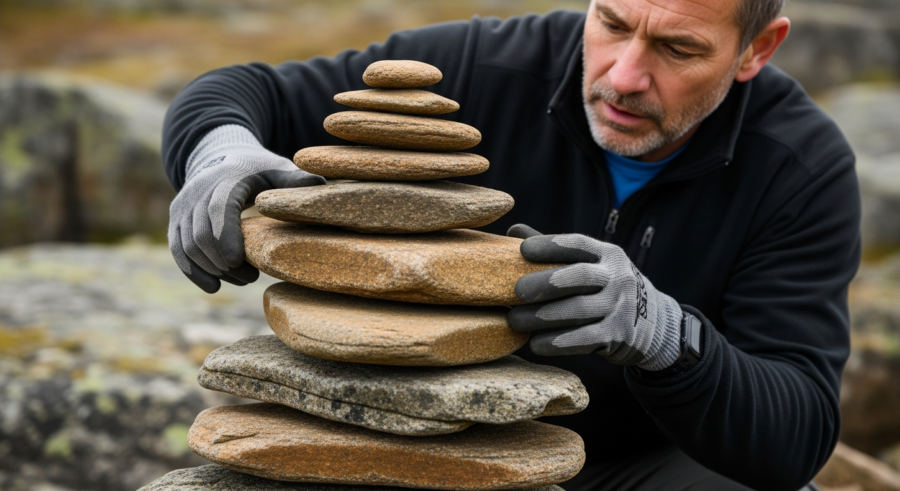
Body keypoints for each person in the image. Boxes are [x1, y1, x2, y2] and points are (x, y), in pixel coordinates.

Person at [162, 0, 861, 489]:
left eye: (679, 49)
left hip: (641, 464)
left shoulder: (799, 165)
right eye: (612, 23)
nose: (623, 75)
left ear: (756, 49)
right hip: (421, 439)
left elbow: (794, 431)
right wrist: (218, 158)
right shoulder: (486, 65)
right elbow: (240, 91)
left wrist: (664, 331)